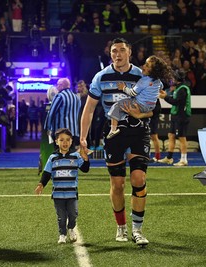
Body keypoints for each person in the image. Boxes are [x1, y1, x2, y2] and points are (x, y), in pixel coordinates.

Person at [80, 38, 151, 246]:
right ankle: (121, 226)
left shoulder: (141, 76)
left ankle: (137, 230)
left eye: (121, 50)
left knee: (138, 179)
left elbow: (151, 106)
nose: (117, 54)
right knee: (117, 184)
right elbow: (90, 108)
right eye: (113, 51)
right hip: (114, 134)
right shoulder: (101, 77)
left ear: (130, 52)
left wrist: (139, 113)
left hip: (138, 132)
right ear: (110, 54)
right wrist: (82, 137)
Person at [34, 128, 89, 244]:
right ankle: (62, 234)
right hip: (58, 194)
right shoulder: (52, 158)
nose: (65, 143)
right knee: (61, 217)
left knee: (73, 214)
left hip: (72, 194)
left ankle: (71, 228)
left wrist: (86, 159)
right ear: (56, 141)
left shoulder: (76, 156)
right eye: (62, 140)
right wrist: (41, 184)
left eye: (68, 140)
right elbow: (47, 173)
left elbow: (85, 169)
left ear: (71, 141)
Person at [107, 55, 173, 139]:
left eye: (147, 65)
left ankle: (113, 130)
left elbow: (132, 93)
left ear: (153, 71)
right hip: (150, 107)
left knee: (116, 106)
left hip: (139, 105)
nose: (143, 66)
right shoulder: (158, 82)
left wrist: (123, 87)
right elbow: (160, 87)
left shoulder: (143, 81)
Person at [158, 70, 191, 166]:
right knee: (171, 135)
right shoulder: (179, 88)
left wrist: (165, 97)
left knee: (181, 137)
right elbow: (174, 99)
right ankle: (169, 158)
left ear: (177, 78)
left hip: (181, 116)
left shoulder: (183, 89)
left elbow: (176, 102)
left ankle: (184, 159)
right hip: (176, 115)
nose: (172, 79)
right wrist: (166, 96)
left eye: (174, 77)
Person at [44, 78, 81, 149]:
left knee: (60, 154)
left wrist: (47, 128)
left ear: (62, 85)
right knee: (71, 154)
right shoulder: (76, 97)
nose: (57, 87)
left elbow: (51, 113)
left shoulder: (60, 96)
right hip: (73, 131)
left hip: (60, 132)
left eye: (58, 85)